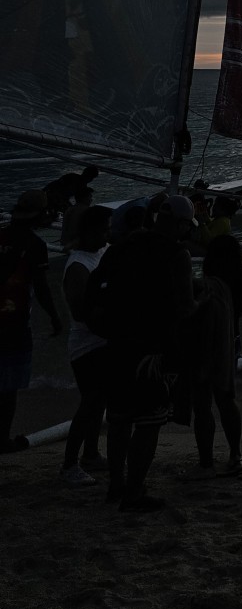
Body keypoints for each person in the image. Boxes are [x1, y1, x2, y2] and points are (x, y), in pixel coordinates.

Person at [86, 194, 197, 511]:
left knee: (119, 419)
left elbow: (95, 284)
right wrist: (204, 300)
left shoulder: (124, 246)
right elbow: (185, 307)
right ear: (179, 224)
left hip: (117, 344)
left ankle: (116, 485)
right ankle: (134, 492)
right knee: (148, 422)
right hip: (151, 351)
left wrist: (97, 321)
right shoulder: (177, 254)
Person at [0, 191, 63, 453]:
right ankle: (2, 438)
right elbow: (41, 286)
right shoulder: (34, 245)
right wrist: (54, 316)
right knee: (8, 387)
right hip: (13, 324)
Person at [185, 235, 242, 474]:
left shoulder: (210, 286)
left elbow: (192, 296)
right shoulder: (239, 285)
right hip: (230, 343)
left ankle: (206, 460)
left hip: (206, 346)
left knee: (203, 403)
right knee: (225, 398)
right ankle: (235, 453)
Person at [60, 205, 112, 486]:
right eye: (104, 229)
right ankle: (69, 464)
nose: (108, 234)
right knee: (90, 402)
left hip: (103, 340)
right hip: (86, 345)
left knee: (99, 402)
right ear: (91, 231)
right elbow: (81, 312)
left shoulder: (101, 253)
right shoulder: (78, 265)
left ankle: (91, 454)